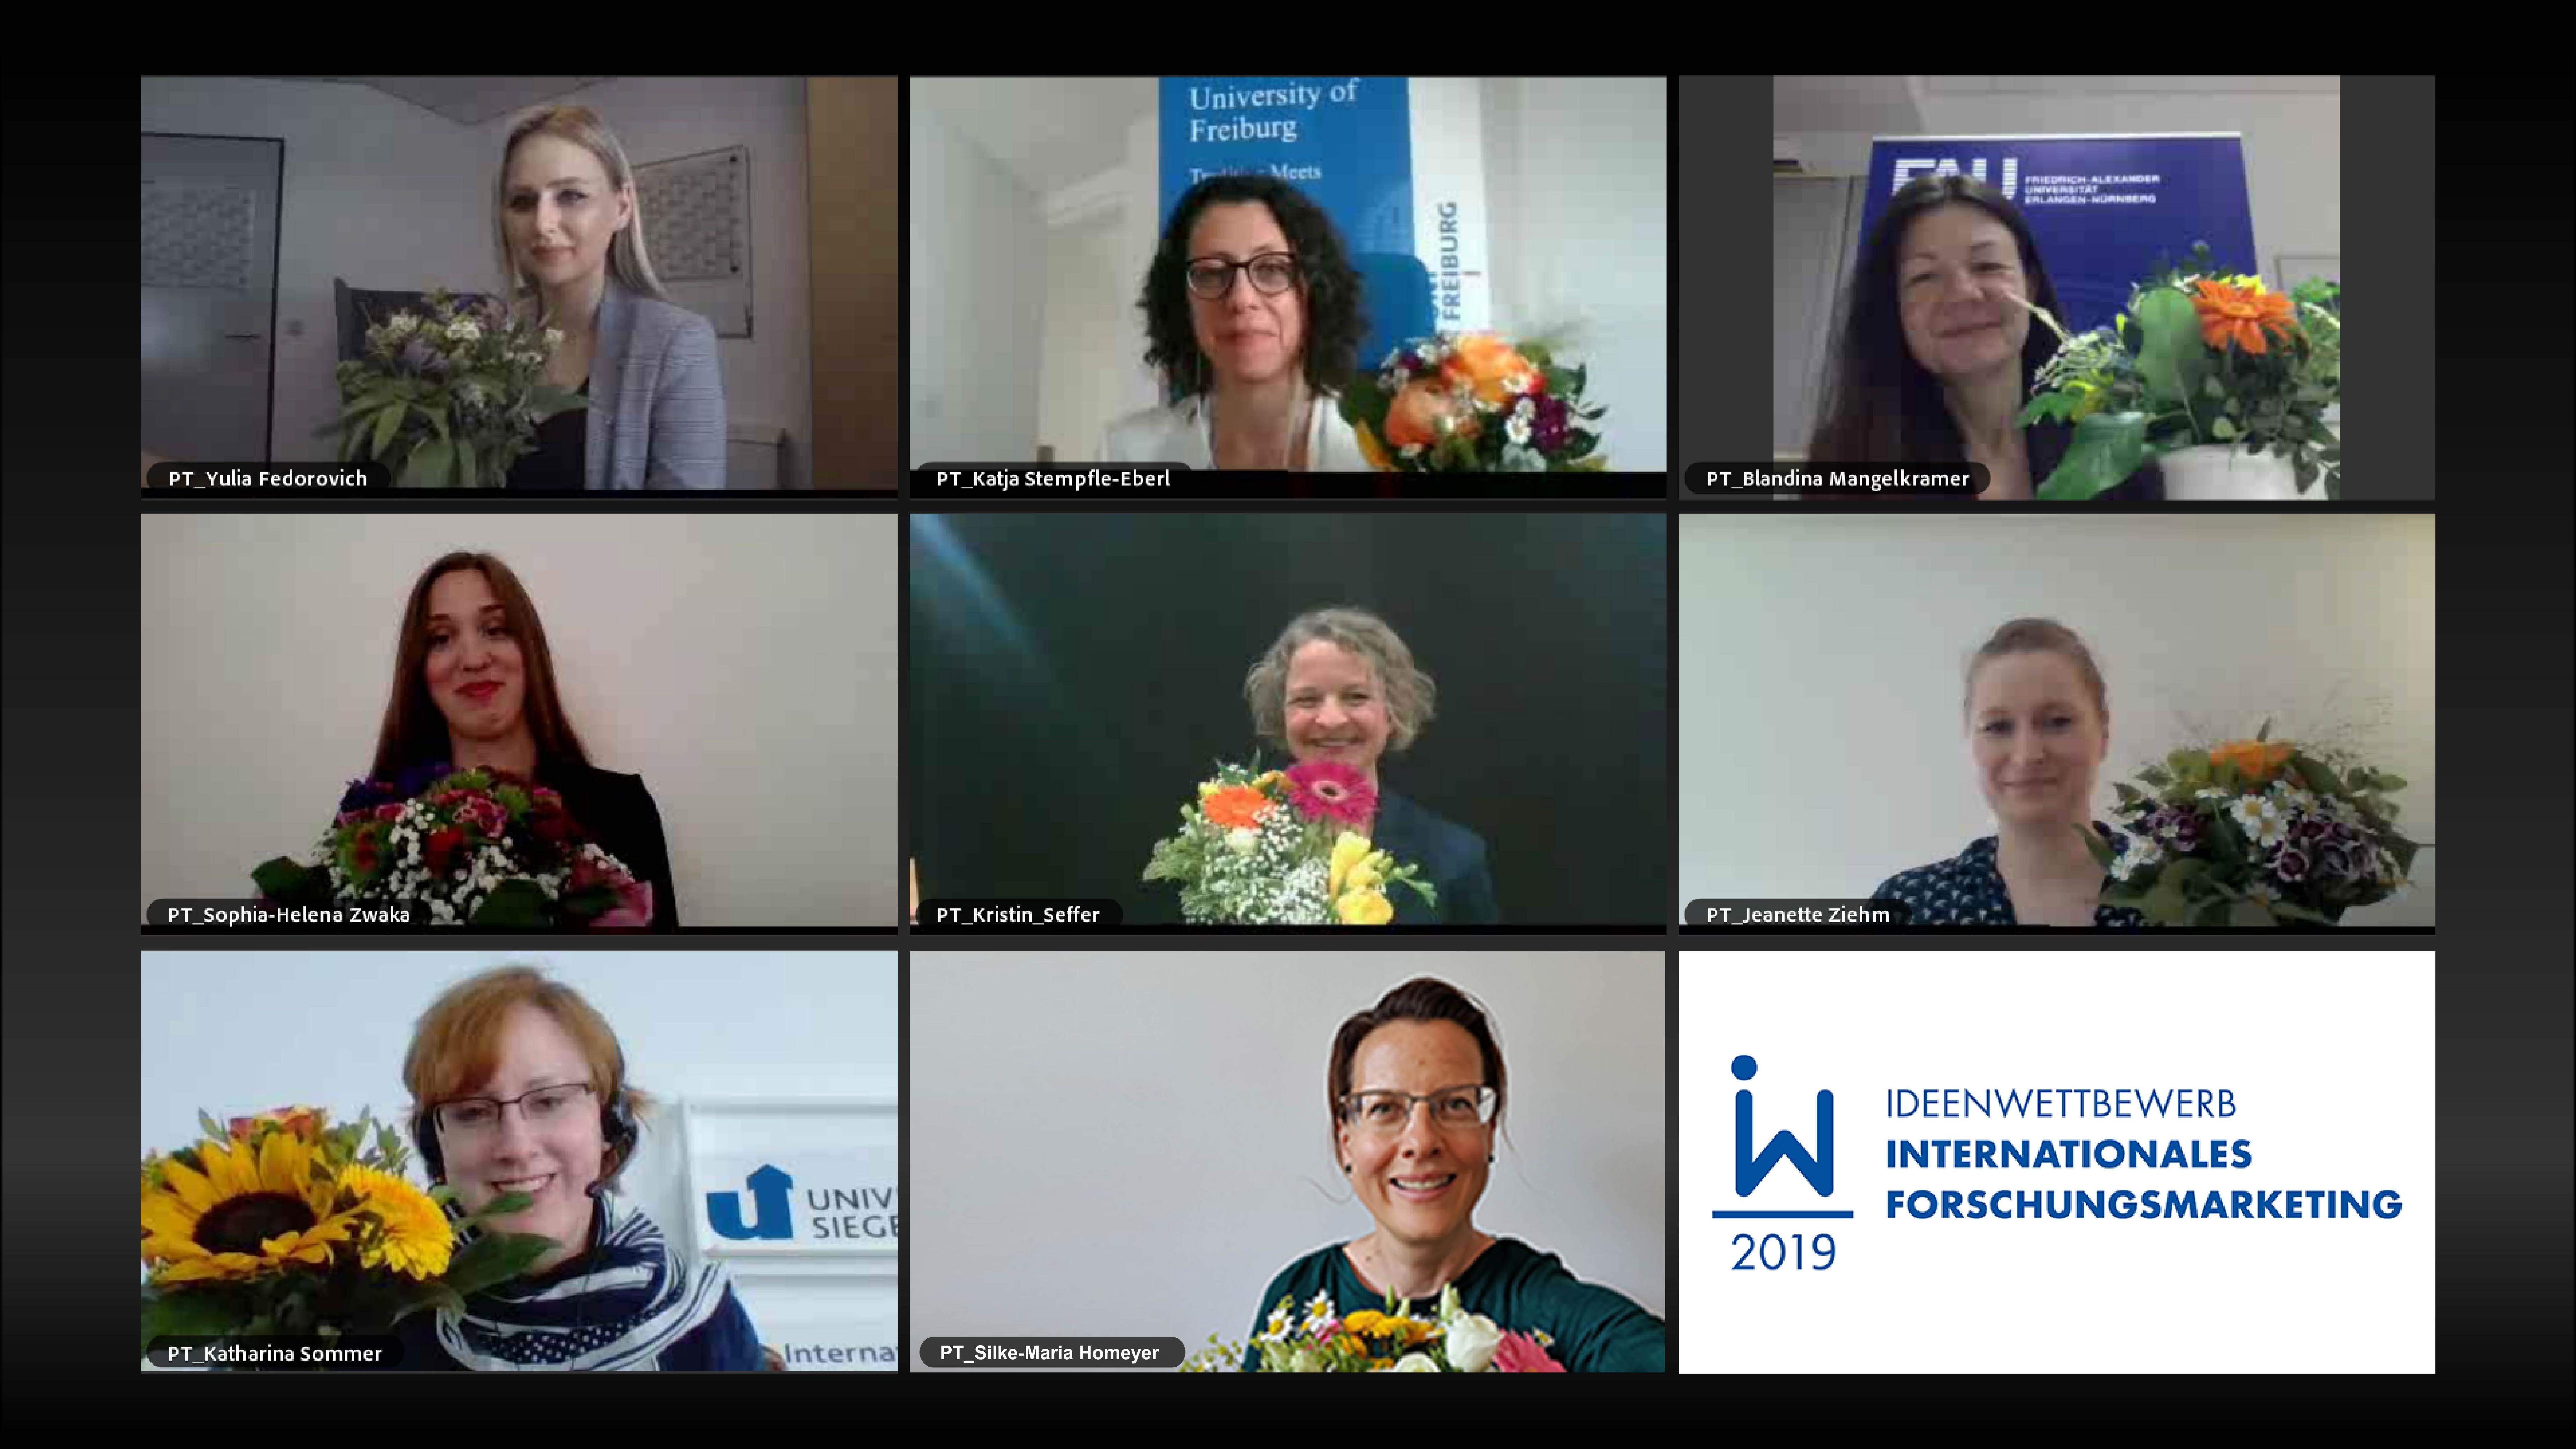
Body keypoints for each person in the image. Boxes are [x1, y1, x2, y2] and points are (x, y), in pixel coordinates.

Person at [1244, 978, 1665, 1372]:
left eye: (1455, 1105)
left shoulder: (1546, 1309)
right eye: (1384, 1108)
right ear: (1346, 1142)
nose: (1422, 1141)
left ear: (1489, 1132)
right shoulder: (1296, 1301)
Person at [396, 965, 760, 1368]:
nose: (517, 1147)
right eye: (473, 1112)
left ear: (609, 1123)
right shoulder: (378, 1315)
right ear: (435, 1145)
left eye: (549, 1102)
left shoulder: (708, 1331)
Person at [349, 551, 680, 929]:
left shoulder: (623, 811)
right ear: (418, 669)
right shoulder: (370, 830)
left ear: (529, 649)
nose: (474, 660)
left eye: (496, 630)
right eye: (441, 639)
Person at [1806, 174, 2163, 501]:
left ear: (2030, 286)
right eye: (1924, 277)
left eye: (1987, 266)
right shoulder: (1848, 461)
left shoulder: (2117, 442)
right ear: (1893, 306)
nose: (1962, 294)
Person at [494, 105, 724, 489]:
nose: (542, 224)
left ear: (622, 207)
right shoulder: (494, 337)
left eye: (571, 196)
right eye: (522, 201)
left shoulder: (678, 343)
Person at [1872, 619, 2144, 927]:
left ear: (2103, 735)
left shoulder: (2182, 894)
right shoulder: (1907, 906)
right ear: (1970, 741)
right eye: (1998, 727)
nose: (2027, 754)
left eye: (2058, 722)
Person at [1241, 607, 1498, 923]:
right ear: (1282, 715)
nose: (1331, 719)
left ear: (1392, 712)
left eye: (1356, 697)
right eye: (1307, 700)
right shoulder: (1228, 840)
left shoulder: (1454, 858)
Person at [1103, 175, 1374, 471]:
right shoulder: (1126, 453)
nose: (1241, 299)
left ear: (1316, 290)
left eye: (1271, 268)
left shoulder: (1383, 450)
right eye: (1212, 274)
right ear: (1182, 303)